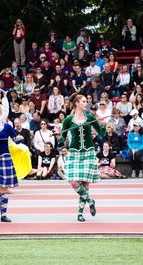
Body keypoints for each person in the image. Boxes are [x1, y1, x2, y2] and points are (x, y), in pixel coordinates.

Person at [56, 93, 105, 222]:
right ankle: (90, 200)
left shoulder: (89, 117)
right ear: (77, 103)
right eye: (83, 101)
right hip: (74, 153)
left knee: (85, 184)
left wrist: (104, 125)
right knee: (73, 181)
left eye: (86, 101)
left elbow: (101, 133)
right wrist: (58, 136)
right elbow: (62, 140)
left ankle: (80, 213)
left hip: (88, 152)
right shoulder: (68, 120)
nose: (86, 103)